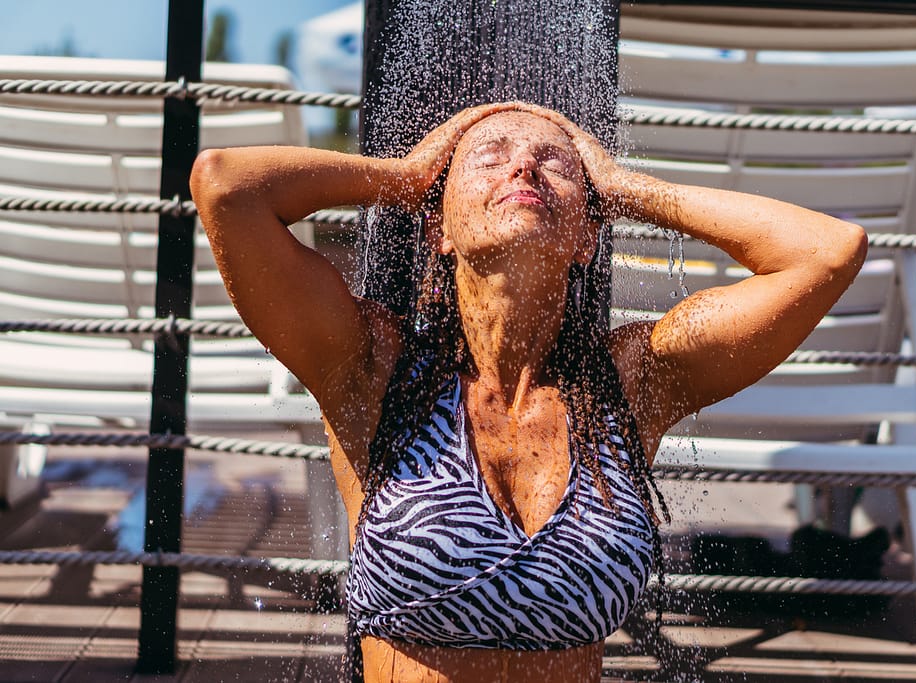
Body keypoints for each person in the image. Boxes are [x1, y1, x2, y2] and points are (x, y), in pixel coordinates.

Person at [190, 102, 866, 683]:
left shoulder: (629, 383)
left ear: (586, 240)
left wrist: (626, 187)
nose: (523, 168)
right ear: (440, 231)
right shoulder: (373, 368)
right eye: (489, 157)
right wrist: (406, 176)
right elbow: (225, 186)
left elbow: (828, 251)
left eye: (557, 163)